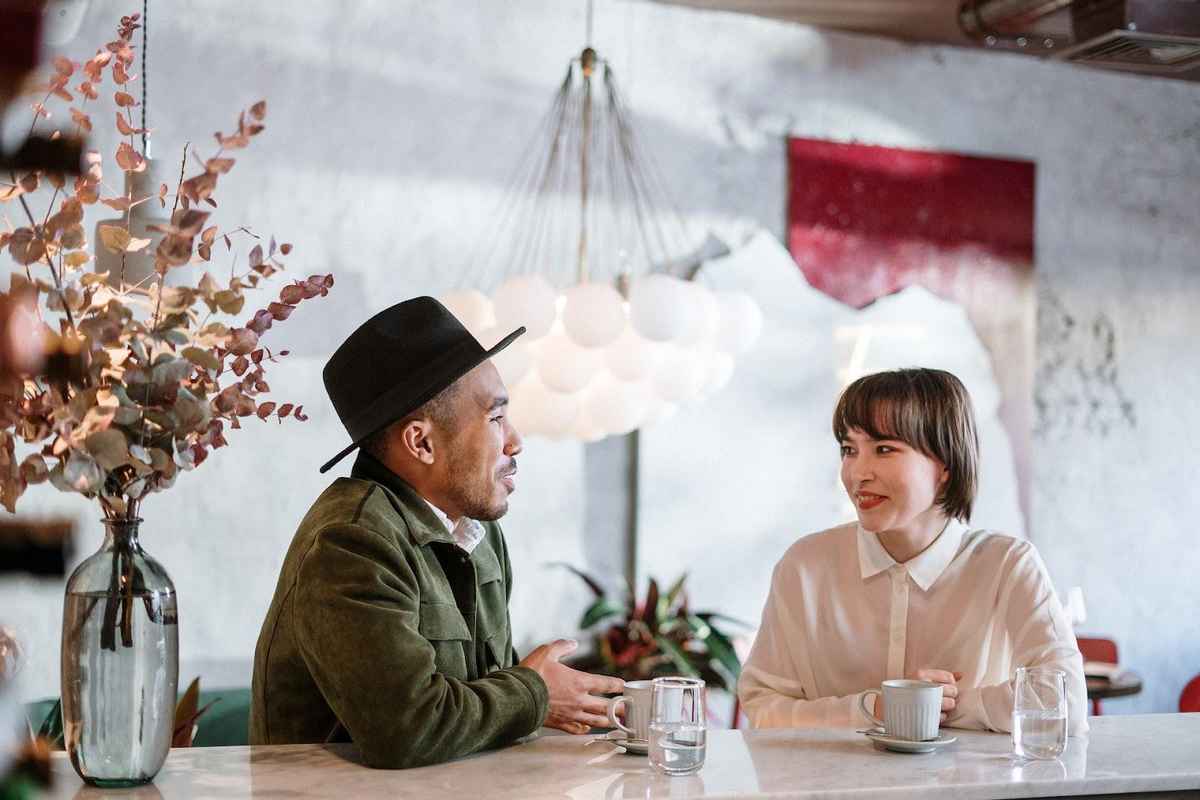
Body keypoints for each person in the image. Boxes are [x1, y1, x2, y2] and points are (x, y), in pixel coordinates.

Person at [249, 297, 624, 768]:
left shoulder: (477, 533)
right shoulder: (351, 543)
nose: (515, 440)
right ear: (421, 442)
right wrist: (534, 693)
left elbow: (482, 703)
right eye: (495, 418)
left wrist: (540, 701)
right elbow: (407, 729)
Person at [738, 368, 1087, 734]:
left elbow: (1068, 704)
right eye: (849, 450)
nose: (858, 472)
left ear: (945, 465)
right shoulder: (805, 566)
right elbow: (764, 705)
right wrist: (873, 708)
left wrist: (936, 705)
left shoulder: (1008, 565)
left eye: (883, 449)